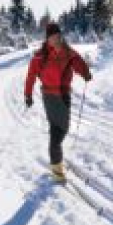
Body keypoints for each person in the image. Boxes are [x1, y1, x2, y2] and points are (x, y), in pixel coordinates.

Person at [24, 22, 92, 180]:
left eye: (58, 36)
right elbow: (31, 77)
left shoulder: (68, 52)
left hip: (64, 94)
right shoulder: (39, 56)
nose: (56, 39)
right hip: (49, 96)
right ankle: (57, 169)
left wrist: (85, 73)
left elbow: (78, 62)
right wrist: (28, 95)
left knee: (62, 127)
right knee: (58, 130)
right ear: (47, 38)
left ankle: (55, 157)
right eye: (53, 37)